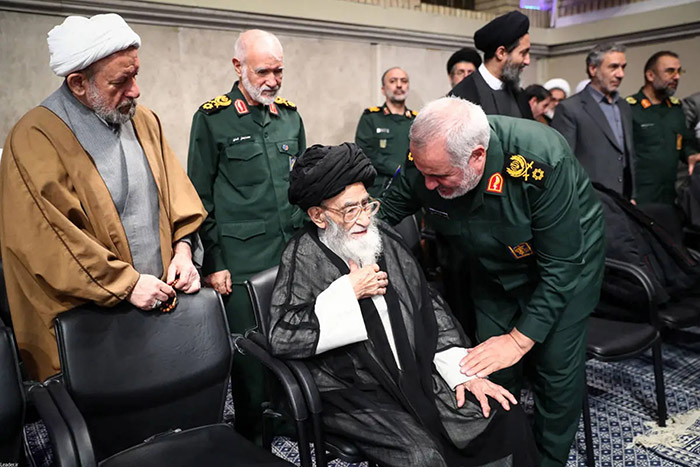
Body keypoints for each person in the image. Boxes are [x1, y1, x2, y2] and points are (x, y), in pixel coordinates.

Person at [268, 143, 538, 467]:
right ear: (318, 216)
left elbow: (427, 303)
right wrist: (347, 293)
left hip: (415, 367)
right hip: (354, 388)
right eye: (350, 211)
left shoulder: (381, 237)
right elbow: (283, 336)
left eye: (367, 204)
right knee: (420, 456)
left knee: (503, 415)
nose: (364, 219)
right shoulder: (302, 254)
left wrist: (461, 372)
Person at [380, 97, 606, 466]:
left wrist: (519, 340)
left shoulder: (540, 158)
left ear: (477, 157)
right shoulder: (427, 160)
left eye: (440, 177)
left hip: (565, 268)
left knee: (555, 370)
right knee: (489, 365)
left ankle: (548, 460)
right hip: (492, 268)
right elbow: (386, 215)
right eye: (424, 173)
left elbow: (562, 265)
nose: (428, 185)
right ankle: (505, 452)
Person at [0, 13, 206, 381]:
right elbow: (50, 243)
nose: (135, 91)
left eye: (135, 75)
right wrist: (127, 285)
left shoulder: (144, 121)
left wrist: (184, 251)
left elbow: (178, 198)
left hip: (156, 310)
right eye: (120, 81)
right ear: (78, 83)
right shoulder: (34, 138)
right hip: (89, 331)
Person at [187, 29, 306, 441]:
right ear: (238, 67)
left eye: (278, 71)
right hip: (240, 261)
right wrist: (214, 261)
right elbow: (199, 196)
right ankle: (252, 438)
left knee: (292, 341)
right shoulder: (212, 119)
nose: (272, 81)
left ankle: (290, 424)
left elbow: (301, 187)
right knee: (250, 357)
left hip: (289, 254)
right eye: (263, 72)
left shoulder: (290, 116)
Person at [551, 43, 636, 200]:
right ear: (593, 69)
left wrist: (632, 195)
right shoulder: (571, 108)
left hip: (623, 199)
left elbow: (627, 155)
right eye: (613, 67)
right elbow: (563, 163)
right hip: (589, 199)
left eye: (623, 67)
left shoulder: (624, 106)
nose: (620, 74)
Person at [627, 51, 700, 206]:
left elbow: (684, 142)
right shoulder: (630, 109)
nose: (677, 77)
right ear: (650, 75)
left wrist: (691, 155)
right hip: (640, 197)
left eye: (679, 71)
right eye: (670, 71)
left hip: (670, 197)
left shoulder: (675, 109)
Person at [449, 10, 533, 119]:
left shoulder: (519, 95)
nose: (527, 61)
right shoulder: (460, 98)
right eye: (523, 53)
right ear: (501, 53)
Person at [355, 67, 417, 197]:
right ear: (383, 89)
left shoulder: (417, 120)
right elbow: (365, 151)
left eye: (404, 81)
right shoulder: (371, 117)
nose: (399, 85)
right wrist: (397, 169)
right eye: (393, 81)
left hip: (412, 187)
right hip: (380, 188)